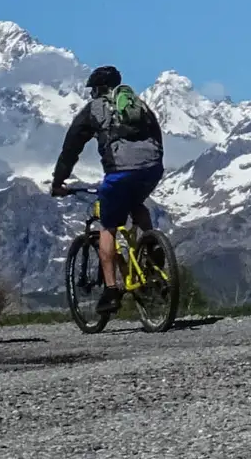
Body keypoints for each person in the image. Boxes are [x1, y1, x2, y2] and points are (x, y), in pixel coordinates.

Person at [49, 64, 165, 317]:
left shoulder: (95, 109)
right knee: (136, 204)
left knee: (108, 226)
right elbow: (157, 137)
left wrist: (59, 182)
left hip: (120, 172)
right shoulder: (140, 105)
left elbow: (71, 148)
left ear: (98, 89)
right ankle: (153, 244)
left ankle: (111, 290)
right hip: (152, 168)